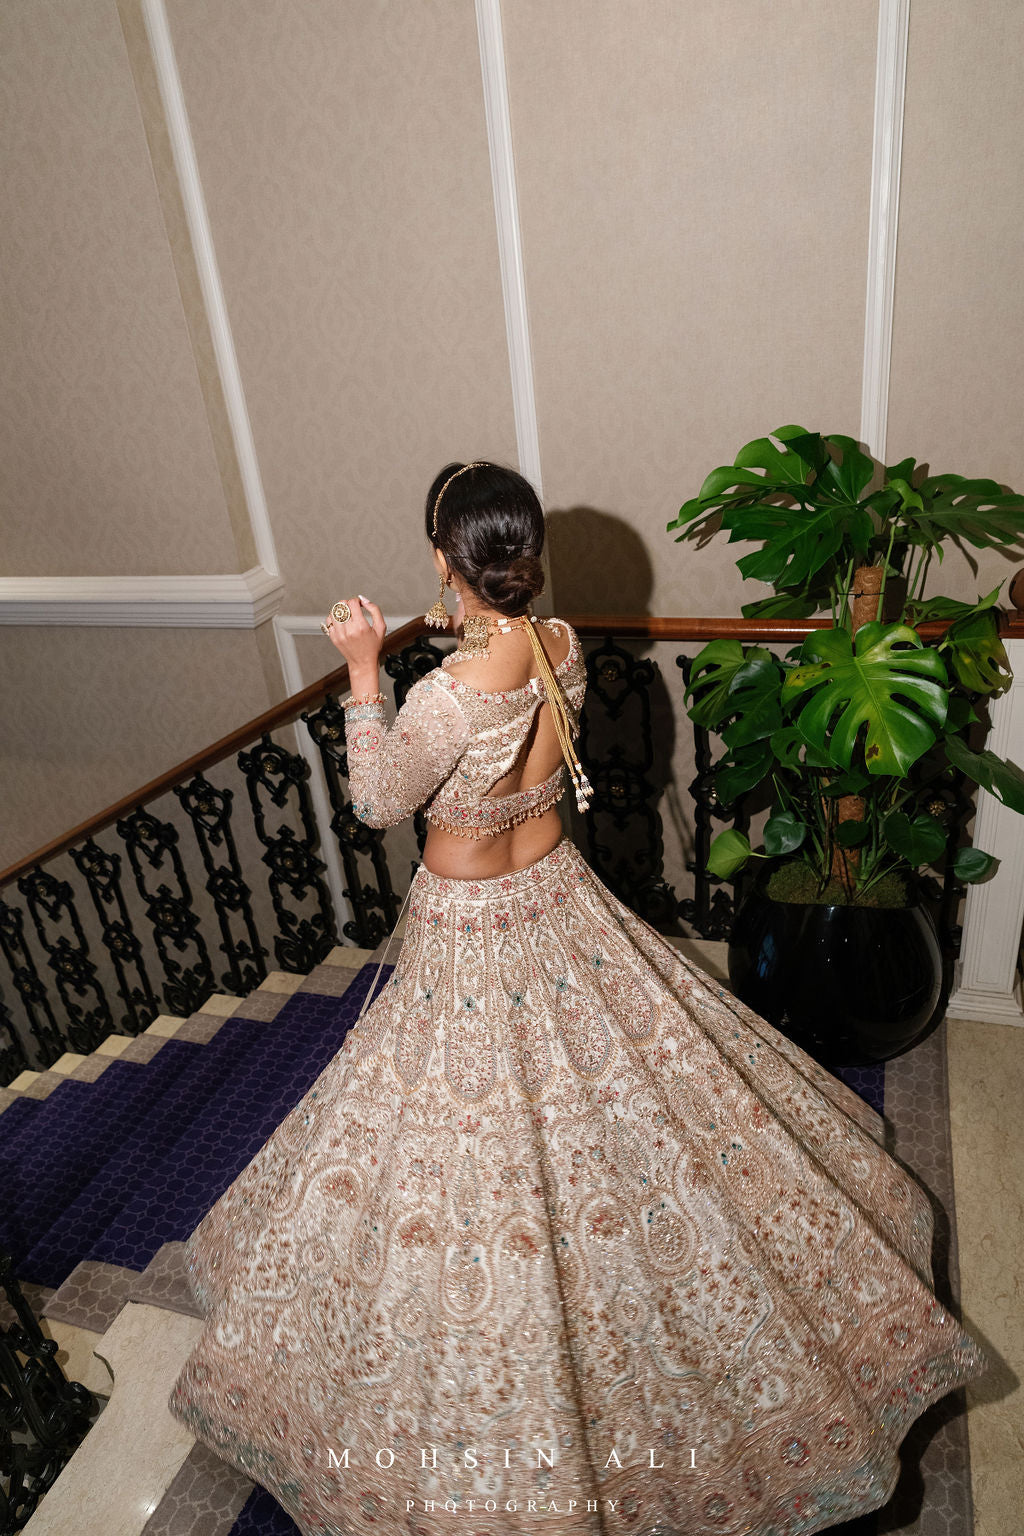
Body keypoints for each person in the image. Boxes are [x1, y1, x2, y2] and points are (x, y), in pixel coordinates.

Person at [167, 461, 991, 1536]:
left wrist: (365, 670)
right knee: (632, 1104)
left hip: (469, 931)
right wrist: (453, 623)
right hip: (556, 892)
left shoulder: (445, 695)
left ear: (442, 553)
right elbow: (504, 690)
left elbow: (379, 799)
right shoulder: (556, 643)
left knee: (457, 1145)